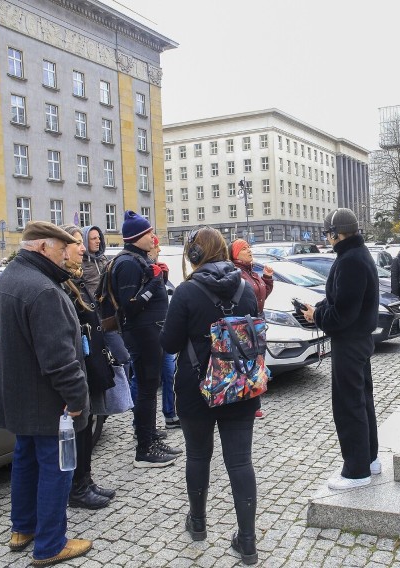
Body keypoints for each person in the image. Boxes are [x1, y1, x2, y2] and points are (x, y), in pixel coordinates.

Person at [0, 221, 92, 565]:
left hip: (20, 395)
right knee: (56, 467)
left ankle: (23, 528)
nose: (67, 255)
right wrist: (78, 399)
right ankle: (50, 544)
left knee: (25, 460)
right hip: (49, 402)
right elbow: (59, 360)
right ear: (43, 247)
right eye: (62, 249)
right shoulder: (44, 290)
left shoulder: (7, 279)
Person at [160, 227, 261, 565]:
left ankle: (198, 523)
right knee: (241, 462)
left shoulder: (187, 292)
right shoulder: (246, 289)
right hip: (239, 387)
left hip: (196, 389)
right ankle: (247, 541)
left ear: (193, 255)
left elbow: (170, 344)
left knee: (198, 456)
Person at [300, 208, 380, 491]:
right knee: (362, 401)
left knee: (349, 406)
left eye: (328, 234)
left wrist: (316, 316)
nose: (327, 239)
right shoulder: (357, 255)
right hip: (358, 339)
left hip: (349, 341)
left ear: (336, 233)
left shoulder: (350, 260)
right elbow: (343, 300)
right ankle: (368, 459)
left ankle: (356, 470)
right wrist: (320, 308)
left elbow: (343, 313)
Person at [112, 211, 181, 467]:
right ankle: (144, 449)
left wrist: (159, 279)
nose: (154, 237)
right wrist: (154, 283)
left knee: (151, 390)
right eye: (149, 233)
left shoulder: (138, 259)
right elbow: (130, 307)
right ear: (138, 237)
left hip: (152, 333)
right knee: (146, 391)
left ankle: (151, 437)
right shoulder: (128, 263)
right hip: (142, 335)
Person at [60, 225, 116, 510]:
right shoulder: (63, 284)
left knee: (90, 421)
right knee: (80, 427)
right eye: (77, 243)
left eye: (84, 243)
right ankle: (78, 486)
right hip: (80, 362)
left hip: (91, 358)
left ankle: (86, 479)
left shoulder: (78, 280)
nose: (83, 248)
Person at [81, 224, 131, 443]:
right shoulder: (81, 266)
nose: (97, 241)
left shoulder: (103, 261)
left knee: (123, 360)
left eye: (98, 238)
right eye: (92, 239)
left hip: (110, 322)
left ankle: (113, 404)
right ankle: (104, 407)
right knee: (110, 364)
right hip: (93, 323)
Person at [229, 238, 274, 419]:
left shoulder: (251, 271)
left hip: (257, 321)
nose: (249, 250)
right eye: (244, 248)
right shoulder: (235, 273)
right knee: (247, 362)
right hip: (245, 323)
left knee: (258, 362)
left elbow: (261, 294)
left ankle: (254, 401)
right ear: (235, 254)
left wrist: (267, 279)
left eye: (249, 247)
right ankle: (247, 402)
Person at [149, 234, 180, 430]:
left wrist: (163, 279)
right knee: (145, 381)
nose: (159, 250)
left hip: (164, 332)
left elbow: (168, 298)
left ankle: (170, 414)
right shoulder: (141, 268)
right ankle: (143, 425)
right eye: (156, 246)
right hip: (148, 334)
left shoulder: (161, 270)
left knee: (169, 373)